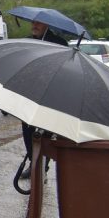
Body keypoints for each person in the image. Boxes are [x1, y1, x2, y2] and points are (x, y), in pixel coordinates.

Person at [20, 20, 68, 176]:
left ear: (47, 25)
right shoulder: (27, 41)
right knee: (28, 130)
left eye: (39, 24)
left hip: (50, 95)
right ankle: (33, 161)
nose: (35, 26)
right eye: (33, 23)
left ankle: (42, 165)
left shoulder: (58, 43)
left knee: (45, 133)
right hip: (30, 94)